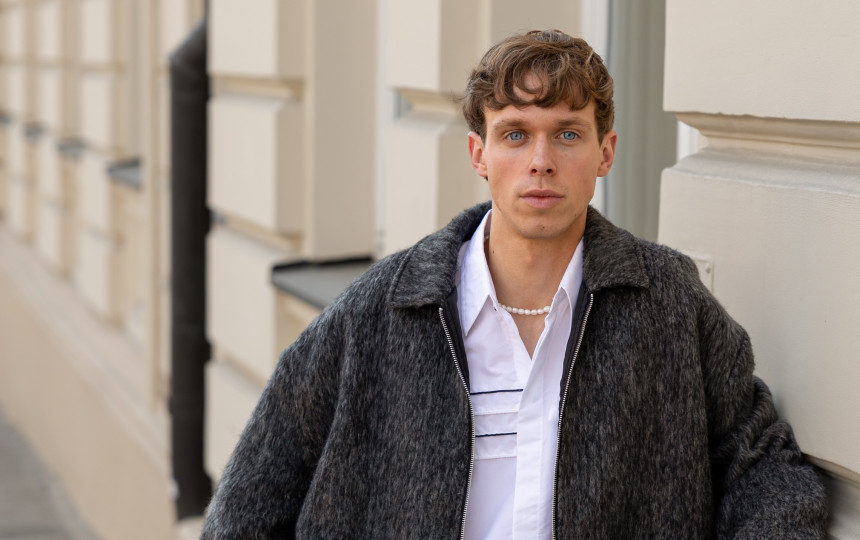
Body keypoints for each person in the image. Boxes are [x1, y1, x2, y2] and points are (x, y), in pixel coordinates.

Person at [201, 29, 827, 538]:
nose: (541, 161)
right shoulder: (379, 311)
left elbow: (762, 466)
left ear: (606, 153)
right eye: (515, 134)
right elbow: (249, 505)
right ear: (479, 153)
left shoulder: (667, 302)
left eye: (568, 134)